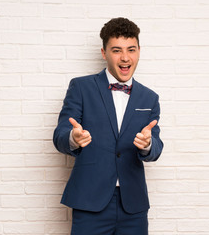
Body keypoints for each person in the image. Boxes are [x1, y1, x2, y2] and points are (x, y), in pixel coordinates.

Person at [53, 17, 163, 235]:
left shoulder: (149, 98)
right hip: (90, 201)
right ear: (104, 53)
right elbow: (60, 135)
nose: (125, 57)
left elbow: (156, 148)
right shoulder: (81, 87)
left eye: (131, 49)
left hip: (133, 206)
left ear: (139, 51)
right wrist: (73, 139)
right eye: (116, 50)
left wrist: (148, 145)